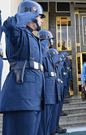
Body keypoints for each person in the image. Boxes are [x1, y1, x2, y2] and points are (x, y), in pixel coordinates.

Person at [0, 1, 45, 134]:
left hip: (34, 95)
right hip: (21, 95)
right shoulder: (17, 32)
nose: (42, 20)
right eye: (40, 17)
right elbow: (10, 25)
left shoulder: (33, 37)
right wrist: (31, 14)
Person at [37, 30, 56, 135]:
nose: (52, 41)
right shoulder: (42, 53)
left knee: (48, 119)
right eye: (50, 39)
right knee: (44, 120)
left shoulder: (47, 54)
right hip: (45, 92)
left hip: (50, 91)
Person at [48, 49, 67, 134]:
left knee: (57, 112)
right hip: (52, 90)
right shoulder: (51, 65)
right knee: (53, 113)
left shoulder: (56, 66)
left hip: (58, 88)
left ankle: (56, 126)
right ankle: (53, 127)